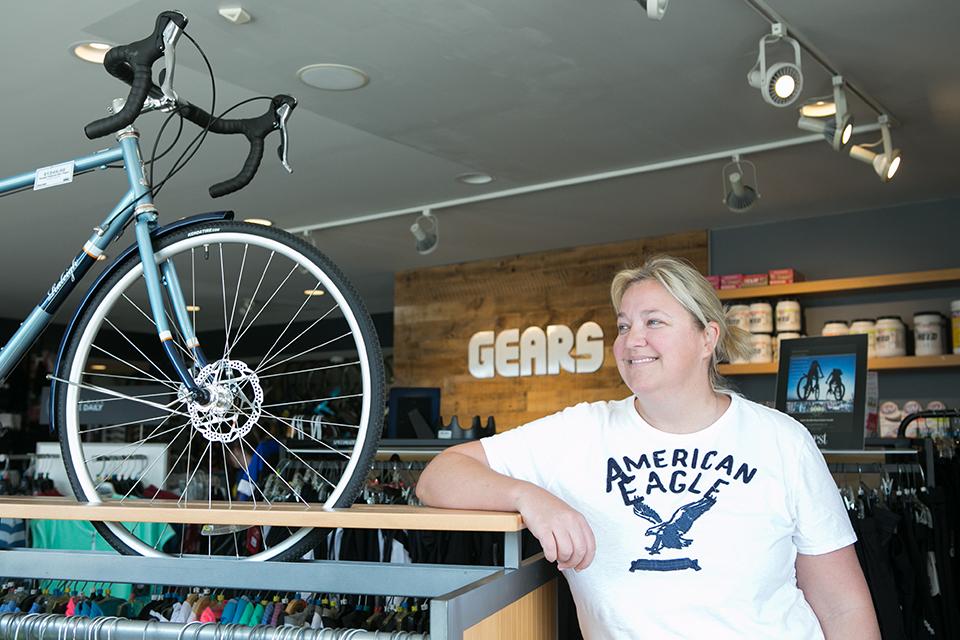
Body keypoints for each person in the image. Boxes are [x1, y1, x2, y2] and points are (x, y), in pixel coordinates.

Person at [416, 254, 879, 640]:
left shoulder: (782, 440)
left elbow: (843, 609)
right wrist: (529, 497)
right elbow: (439, 475)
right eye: (622, 326)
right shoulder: (580, 432)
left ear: (707, 338)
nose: (631, 340)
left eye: (653, 322)